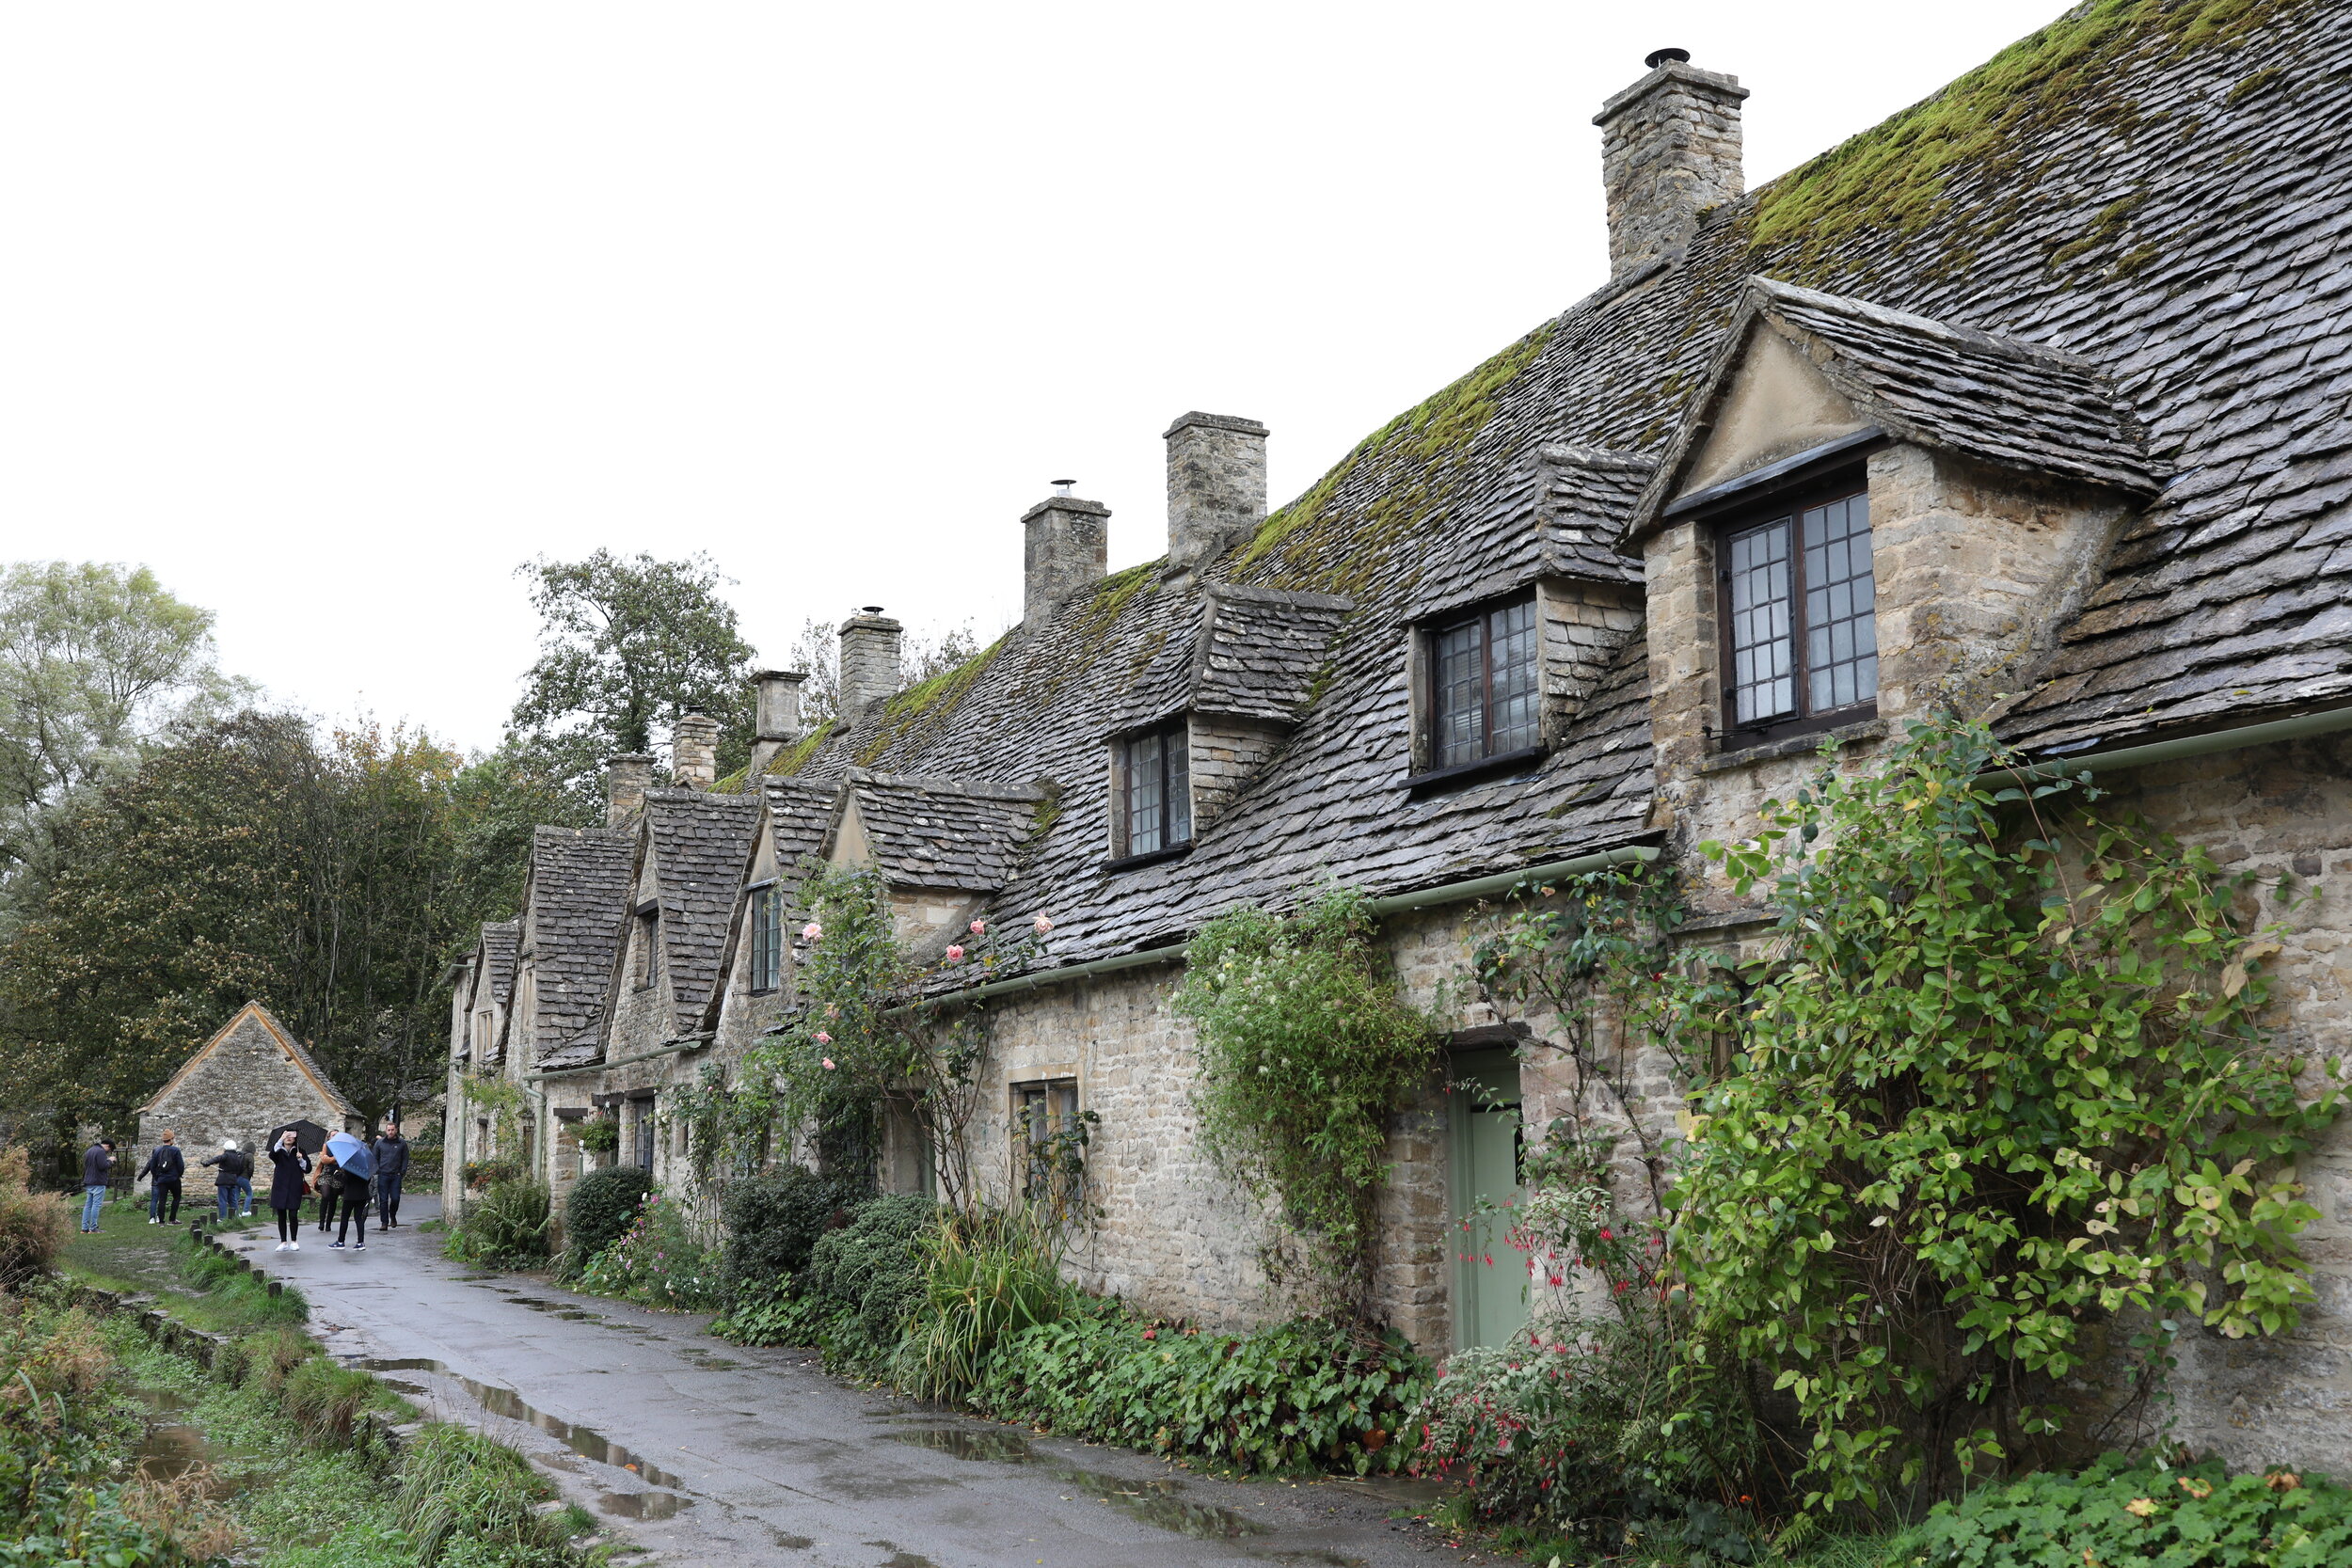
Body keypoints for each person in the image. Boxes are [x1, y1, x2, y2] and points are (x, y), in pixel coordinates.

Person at [266, 1131, 310, 1250]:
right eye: (287, 1136)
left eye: (292, 1136)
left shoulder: (300, 1151)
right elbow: (272, 1155)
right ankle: (283, 1242)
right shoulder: (278, 1150)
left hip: (294, 1186)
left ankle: (294, 1241)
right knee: (281, 1214)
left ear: (295, 1138)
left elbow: (308, 1169)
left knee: (293, 1214)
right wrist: (281, 1139)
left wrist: (301, 1160)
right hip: (280, 1186)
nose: (289, 1138)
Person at [136, 1132, 185, 1225]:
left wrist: (157, 1176)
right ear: (171, 1139)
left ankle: (161, 1222)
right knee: (176, 1197)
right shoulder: (176, 1150)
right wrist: (179, 1175)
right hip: (174, 1178)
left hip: (162, 1179)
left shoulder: (157, 1151)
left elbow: (152, 1166)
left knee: (162, 1200)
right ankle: (172, 1219)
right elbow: (181, 1165)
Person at [200, 1139, 250, 1224]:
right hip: (233, 1180)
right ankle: (236, 1216)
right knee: (233, 1200)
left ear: (226, 1148)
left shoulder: (226, 1155)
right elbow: (239, 1169)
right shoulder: (238, 1157)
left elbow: (217, 1158)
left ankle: (223, 1218)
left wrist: (207, 1162)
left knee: (222, 1199)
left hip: (224, 1180)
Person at [372, 1122, 409, 1229]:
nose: (391, 1132)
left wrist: (402, 1171)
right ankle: (384, 1222)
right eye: (389, 1130)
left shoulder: (402, 1143)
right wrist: (377, 1170)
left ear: (396, 1130)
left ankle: (392, 1215)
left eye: (392, 1130)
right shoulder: (380, 1143)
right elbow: (375, 1157)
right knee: (383, 1200)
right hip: (383, 1174)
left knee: (395, 1198)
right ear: (386, 1131)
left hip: (396, 1175)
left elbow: (405, 1158)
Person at [330, 1158, 371, 1251]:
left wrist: (336, 1174)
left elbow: (345, 1180)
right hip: (362, 1194)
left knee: (345, 1218)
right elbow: (368, 1180)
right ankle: (360, 1242)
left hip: (350, 1195)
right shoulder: (365, 1164)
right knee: (359, 1218)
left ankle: (341, 1241)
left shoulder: (350, 1164)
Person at [79, 1138, 115, 1232]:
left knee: (88, 1206)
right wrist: (110, 1161)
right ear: (108, 1146)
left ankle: (84, 1228)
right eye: (109, 1150)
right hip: (98, 1181)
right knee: (96, 1205)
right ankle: (93, 1227)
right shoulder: (101, 1152)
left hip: (89, 1181)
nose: (108, 1152)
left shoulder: (90, 1150)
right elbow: (103, 1166)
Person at [312, 1152, 341, 1235]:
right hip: (326, 1175)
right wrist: (335, 1158)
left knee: (333, 1198)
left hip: (337, 1175)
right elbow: (324, 1160)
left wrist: (330, 1159)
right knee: (325, 1195)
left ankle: (328, 1223)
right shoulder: (327, 1146)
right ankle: (321, 1222)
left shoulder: (343, 1149)